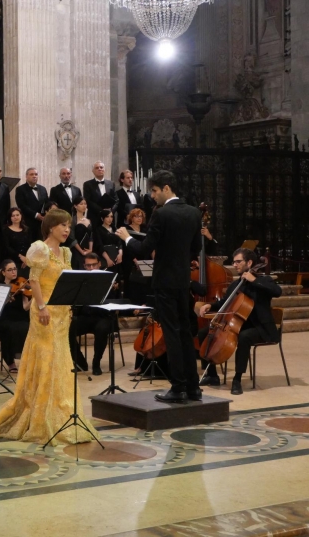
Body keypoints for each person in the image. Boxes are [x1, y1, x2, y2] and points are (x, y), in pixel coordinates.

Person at [0, 209, 100, 445]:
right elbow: (33, 279)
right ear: (51, 227)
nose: (66, 230)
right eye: (62, 225)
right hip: (44, 311)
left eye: (68, 226)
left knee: (60, 359)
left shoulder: (65, 251)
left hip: (62, 312)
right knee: (46, 357)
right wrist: (42, 306)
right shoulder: (39, 248)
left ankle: (59, 408)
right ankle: (41, 412)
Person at [117, 170, 202, 403]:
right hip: (183, 281)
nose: (152, 196)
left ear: (166, 188)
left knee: (172, 334)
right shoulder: (194, 213)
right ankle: (193, 388)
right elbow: (196, 247)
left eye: (154, 191)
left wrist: (126, 237)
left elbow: (144, 249)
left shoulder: (161, 214)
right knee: (185, 332)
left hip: (164, 282)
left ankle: (177, 388)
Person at [197, 248, 282, 395]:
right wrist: (210, 305)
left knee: (244, 337)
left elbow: (277, 291)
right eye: (234, 262)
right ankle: (212, 375)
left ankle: (237, 379)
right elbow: (225, 302)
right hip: (240, 325)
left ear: (249, 262)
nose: (234, 265)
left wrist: (254, 280)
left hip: (261, 328)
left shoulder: (263, 280)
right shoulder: (236, 284)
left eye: (238, 261)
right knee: (204, 333)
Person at [69, 253, 113, 376]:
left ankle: (96, 363)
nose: (91, 268)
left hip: (103, 316)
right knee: (67, 329)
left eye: (94, 265)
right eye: (88, 266)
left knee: (102, 329)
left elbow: (115, 301)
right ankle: (80, 362)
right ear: (84, 266)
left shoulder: (108, 278)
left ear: (99, 264)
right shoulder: (81, 280)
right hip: (85, 316)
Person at [0, 260, 30, 375]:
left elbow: (26, 307)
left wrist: (35, 297)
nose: (13, 272)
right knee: (7, 329)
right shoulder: (0, 287)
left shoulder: (21, 284)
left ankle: (26, 360)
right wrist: (6, 300)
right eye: (10, 270)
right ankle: (10, 361)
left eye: (15, 269)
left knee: (26, 327)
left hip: (20, 317)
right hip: (5, 318)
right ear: (3, 272)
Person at [15, 167, 49, 241]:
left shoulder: (43, 189)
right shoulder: (20, 189)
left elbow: (47, 203)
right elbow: (22, 205)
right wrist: (36, 215)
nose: (34, 176)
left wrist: (46, 214)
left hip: (42, 223)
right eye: (31, 174)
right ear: (26, 176)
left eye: (36, 174)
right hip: (28, 222)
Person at [82, 161, 118, 228]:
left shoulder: (111, 183)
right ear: (93, 171)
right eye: (97, 168)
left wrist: (111, 211)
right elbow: (88, 201)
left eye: (101, 167)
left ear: (104, 170)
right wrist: (101, 211)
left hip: (110, 217)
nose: (99, 169)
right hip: (95, 216)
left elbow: (116, 200)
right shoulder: (87, 184)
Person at [2, 208, 32, 277]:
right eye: (13, 216)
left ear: (21, 216)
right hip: (12, 261)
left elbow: (30, 245)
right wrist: (20, 256)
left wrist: (26, 258)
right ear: (10, 218)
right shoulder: (5, 229)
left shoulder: (26, 229)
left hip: (26, 261)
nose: (15, 217)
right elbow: (7, 247)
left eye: (17, 215)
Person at [71, 197, 93, 270]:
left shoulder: (89, 220)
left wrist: (90, 249)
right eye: (81, 204)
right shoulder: (72, 220)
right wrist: (81, 252)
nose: (84, 206)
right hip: (76, 250)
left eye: (85, 204)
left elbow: (91, 236)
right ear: (75, 206)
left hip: (87, 250)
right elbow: (72, 238)